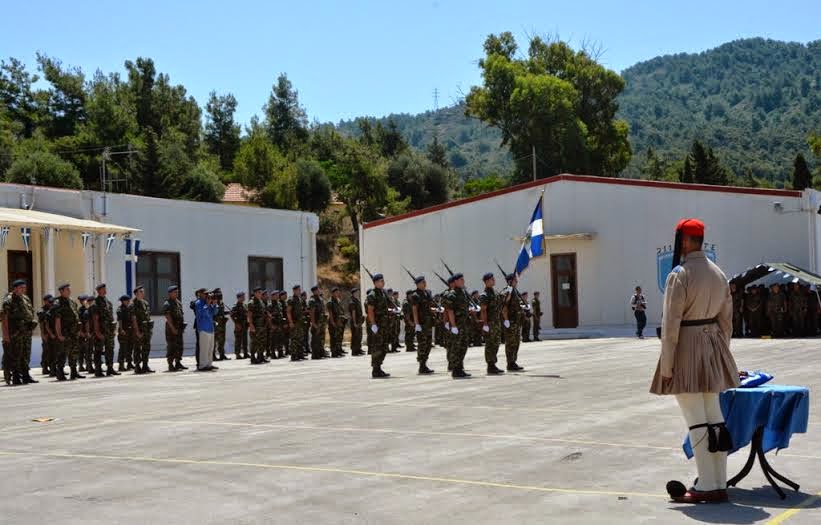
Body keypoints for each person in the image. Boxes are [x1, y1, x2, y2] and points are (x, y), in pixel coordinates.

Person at [650, 218, 738, 504]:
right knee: (715, 418)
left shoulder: (680, 274)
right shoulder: (719, 274)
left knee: (696, 420)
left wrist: (667, 366)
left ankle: (707, 486)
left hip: (686, 347)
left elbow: (671, 323)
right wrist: (720, 352)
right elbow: (727, 322)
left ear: (685, 242)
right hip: (712, 346)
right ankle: (718, 481)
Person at [2, 279, 37, 385]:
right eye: (21, 287)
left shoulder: (25, 298)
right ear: (15, 288)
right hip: (15, 333)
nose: (24, 289)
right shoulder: (8, 300)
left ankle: (25, 375)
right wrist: (6, 335)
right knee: (15, 354)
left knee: (26, 354)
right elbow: (4, 319)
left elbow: (29, 312)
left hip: (26, 332)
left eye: (24, 287)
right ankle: (16, 376)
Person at [443, 272, 471, 379]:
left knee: (463, 346)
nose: (463, 281)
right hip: (457, 325)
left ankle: (459, 368)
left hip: (464, 324)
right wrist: (453, 325)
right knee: (456, 347)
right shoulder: (452, 294)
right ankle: (455, 369)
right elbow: (449, 311)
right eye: (461, 280)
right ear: (455, 282)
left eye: (463, 279)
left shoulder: (463, 293)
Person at [52, 283, 82, 381]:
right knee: (62, 353)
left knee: (74, 352)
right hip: (65, 333)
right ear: (61, 291)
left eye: (69, 289)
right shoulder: (57, 303)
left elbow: (76, 317)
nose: (69, 291)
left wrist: (78, 330)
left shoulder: (72, 302)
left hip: (73, 332)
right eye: (67, 290)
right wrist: (59, 334)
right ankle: (60, 373)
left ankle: (74, 371)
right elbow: (57, 320)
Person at [91, 283, 120, 377]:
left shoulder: (108, 302)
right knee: (98, 350)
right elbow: (95, 319)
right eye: (102, 289)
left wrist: (114, 329)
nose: (104, 290)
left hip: (109, 331)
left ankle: (110, 368)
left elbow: (111, 317)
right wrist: (97, 332)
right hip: (101, 331)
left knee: (110, 350)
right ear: (98, 291)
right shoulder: (96, 304)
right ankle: (98, 370)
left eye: (105, 289)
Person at [366, 273, 391, 378]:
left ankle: (379, 367)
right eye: (381, 281)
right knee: (377, 347)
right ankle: (375, 369)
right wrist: (373, 324)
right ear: (376, 282)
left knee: (384, 347)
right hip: (378, 325)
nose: (383, 282)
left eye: (383, 280)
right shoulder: (372, 295)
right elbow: (370, 310)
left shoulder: (383, 293)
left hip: (384, 325)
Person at [480, 272, 505, 375]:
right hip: (490, 323)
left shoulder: (495, 293)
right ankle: (490, 365)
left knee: (496, 343)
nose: (494, 280)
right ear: (486, 281)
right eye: (492, 279)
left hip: (496, 322)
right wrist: (485, 324)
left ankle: (493, 364)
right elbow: (483, 310)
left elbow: (504, 302)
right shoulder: (484, 295)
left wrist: (508, 291)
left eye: (493, 279)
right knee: (490, 344)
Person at [410, 276, 435, 374]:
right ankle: (421, 365)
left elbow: (428, 307)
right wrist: (417, 324)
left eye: (425, 282)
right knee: (422, 344)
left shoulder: (426, 293)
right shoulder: (415, 295)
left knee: (428, 344)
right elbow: (414, 310)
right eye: (423, 282)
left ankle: (424, 364)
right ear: (418, 284)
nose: (425, 283)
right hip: (421, 324)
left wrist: (434, 311)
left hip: (428, 323)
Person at [501, 274, 525, 372]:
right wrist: (506, 319)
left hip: (516, 321)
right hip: (510, 321)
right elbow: (504, 305)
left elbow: (516, 305)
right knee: (510, 343)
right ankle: (510, 363)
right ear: (510, 281)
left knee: (516, 342)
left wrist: (523, 307)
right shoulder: (506, 291)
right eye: (515, 280)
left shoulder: (515, 291)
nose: (517, 282)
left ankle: (513, 361)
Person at [130, 285, 155, 374]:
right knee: (137, 348)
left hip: (146, 329)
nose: (143, 293)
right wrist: (137, 331)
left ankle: (145, 365)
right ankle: (137, 366)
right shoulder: (133, 304)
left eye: (143, 291)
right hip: (138, 330)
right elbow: (133, 319)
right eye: (141, 292)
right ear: (136, 293)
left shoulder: (145, 303)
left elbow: (147, 316)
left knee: (146, 348)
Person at [163, 285, 187, 372]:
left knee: (179, 346)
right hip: (171, 328)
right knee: (171, 346)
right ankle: (170, 364)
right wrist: (172, 328)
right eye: (175, 292)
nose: (177, 293)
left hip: (179, 327)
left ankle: (178, 363)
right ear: (170, 294)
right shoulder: (167, 303)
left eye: (177, 292)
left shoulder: (178, 302)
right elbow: (167, 316)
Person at [195, 290, 219, 371]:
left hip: (210, 328)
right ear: (200, 294)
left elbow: (214, 313)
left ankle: (209, 364)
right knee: (204, 348)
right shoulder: (199, 303)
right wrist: (208, 304)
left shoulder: (207, 303)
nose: (207, 296)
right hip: (203, 328)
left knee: (210, 348)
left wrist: (215, 304)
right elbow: (202, 314)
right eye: (205, 294)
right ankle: (202, 365)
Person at [247, 286, 269, 364]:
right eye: (259, 293)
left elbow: (264, 311)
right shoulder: (251, 303)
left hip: (262, 325)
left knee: (262, 342)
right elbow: (249, 315)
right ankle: (253, 357)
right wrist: (251, 325)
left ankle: (261, 357)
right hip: (255, 325)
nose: (260, 294)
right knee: (254, 342)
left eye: (261, 293)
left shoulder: (261, 302)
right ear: (255, 293)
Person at [308, 285, 328, 359]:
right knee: (315, 339)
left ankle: (320, 352)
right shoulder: (312, 300)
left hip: (321, 322)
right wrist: (313, 323)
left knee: (320, 339)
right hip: (316, 322)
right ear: (314, 291)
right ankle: (315, 354)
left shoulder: (320, 299)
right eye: (318, 290)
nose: (319, 291)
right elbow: (311, 313)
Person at [287, 285, 306, 361]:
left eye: (300, 290)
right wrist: (291, 322)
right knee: (294, 339)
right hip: (294, 322)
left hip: (300, 323)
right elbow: (288, 312)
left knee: (300, 338)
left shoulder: (300, 299)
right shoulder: (291, 300)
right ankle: (294, 355)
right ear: (294, 291)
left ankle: (300, 354)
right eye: (298, 290)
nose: (300, 291)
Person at [37, 294, 55, 376]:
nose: (51, 302)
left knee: (53, 351)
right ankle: (44, 367)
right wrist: (43, 334)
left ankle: (53, 368)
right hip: (46, 333)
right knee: (46, 351)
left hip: (53, 333)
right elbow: (41, 324)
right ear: (45, 301)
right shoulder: (42, 312)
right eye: (49, 301)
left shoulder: (53, 309)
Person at [327, 288, 347, 357]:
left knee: (338, 337)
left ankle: (338, 351)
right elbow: (330, 313)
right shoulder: (330, 302)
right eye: (336, 292)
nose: (337, 294)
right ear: (333, 293)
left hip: (338, 322)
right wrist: (332, 322)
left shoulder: (337, 301)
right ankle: (334, 352)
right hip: (333, 322)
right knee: (333, 338)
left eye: (338, 292)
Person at [116, 295, 134, 371]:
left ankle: (129, 363)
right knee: (123, 349)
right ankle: (121, 365)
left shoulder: (129, 308)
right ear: (123, 301)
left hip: (130, 331)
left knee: (130, 348)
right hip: (123, 331)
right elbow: (120, 320)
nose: (128, 302)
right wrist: (121, 329)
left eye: (129, 300)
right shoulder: (120, 309)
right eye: (127, 300)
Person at [230, 291, 249, 359]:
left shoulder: (244, 305)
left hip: (245, 325)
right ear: (239, 298)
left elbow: (247, 313)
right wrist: (237, 324)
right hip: (239, 326)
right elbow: (232, 315)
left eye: (244, 296)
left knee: (245, 340)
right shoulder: (235, 306)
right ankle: (237, 354)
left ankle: (245, 353)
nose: (244, 298)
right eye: (242, 297)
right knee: (238, 340)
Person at [213, 289, 230, 361]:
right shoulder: (213, 302)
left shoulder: (221, 302)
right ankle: (213, 355)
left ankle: (222, 354)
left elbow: (221, 312)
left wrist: (228, 312)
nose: (220, 295)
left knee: (222, 340)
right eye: (218, 294)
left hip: (222, 324)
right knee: (214, 340)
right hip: (216, 324)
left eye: (221, 294)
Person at [348, 288, 364, 356]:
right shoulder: (352, 302)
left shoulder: (357, 300)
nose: (358, 293)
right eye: (357, 292)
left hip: (359, 321)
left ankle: (358, 349)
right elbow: (353, 313)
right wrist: (354, 323)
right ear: (353, 293)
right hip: (355, 321)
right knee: (355, 336)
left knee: (359, 336)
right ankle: (354, 351)